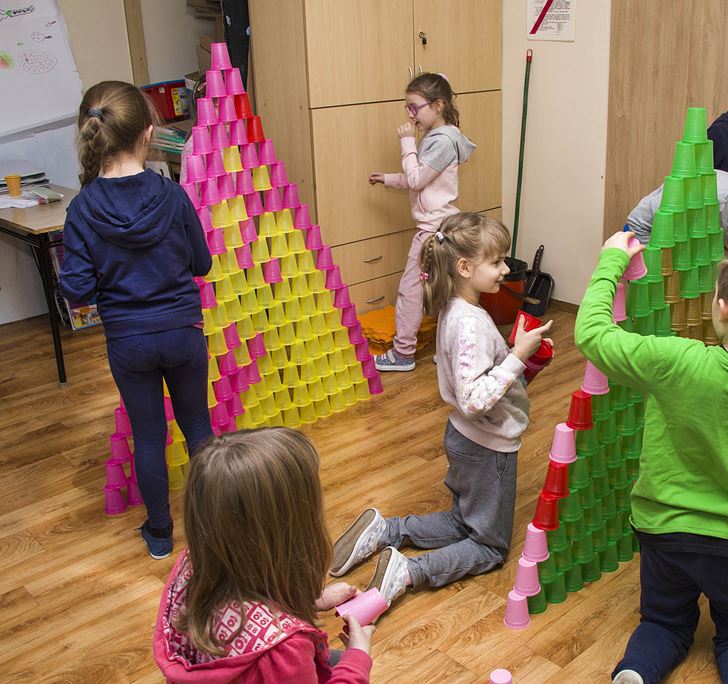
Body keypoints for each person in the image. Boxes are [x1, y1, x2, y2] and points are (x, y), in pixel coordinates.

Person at [576, 233, 728, 684]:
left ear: (722, 308)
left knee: (663, 624)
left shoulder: (678, 360)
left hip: (667, 534)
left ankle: (636, 672)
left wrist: (611, 260)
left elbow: (592, 334)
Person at [330, 213, 551, 605]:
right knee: (489, 546)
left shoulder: (457, 309)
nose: (505, 269)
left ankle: (387, 531)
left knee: (461, 521)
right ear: (464, 267)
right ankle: (409, 572)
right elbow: (474, 399)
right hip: (488, 445)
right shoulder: (471, 324)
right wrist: (517, 356)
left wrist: (515, 360)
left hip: (466, 438)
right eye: (496, 261)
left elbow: (476, 378)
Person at [60, 81, 214, 559]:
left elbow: (78, 291)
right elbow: (201, 263)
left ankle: (161, 535)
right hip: (182, 332)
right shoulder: (172, 195)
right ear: (148, 134)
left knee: (149, 435)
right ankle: (216, 531)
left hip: (129, 342)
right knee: (198, 428)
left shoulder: (82, 208)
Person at [153, 428, 375, 683]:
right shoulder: (283, 652)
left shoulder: (193, 563)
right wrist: (357, 657)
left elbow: (245, 587)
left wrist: (312, 600)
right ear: (293, 531)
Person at [369, 73, 476, 372]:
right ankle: (449, 352)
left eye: (414, 107)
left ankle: (403, 353)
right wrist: (388, 179)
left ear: (438, 106)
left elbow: (416, 179)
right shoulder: (438, 137)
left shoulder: (441, 142)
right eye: (407, 107)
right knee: (445, 294)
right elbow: (419, 179)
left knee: (411, 292)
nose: (410, 114)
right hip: (441, 225)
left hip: (432, 231)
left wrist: (406, 142)